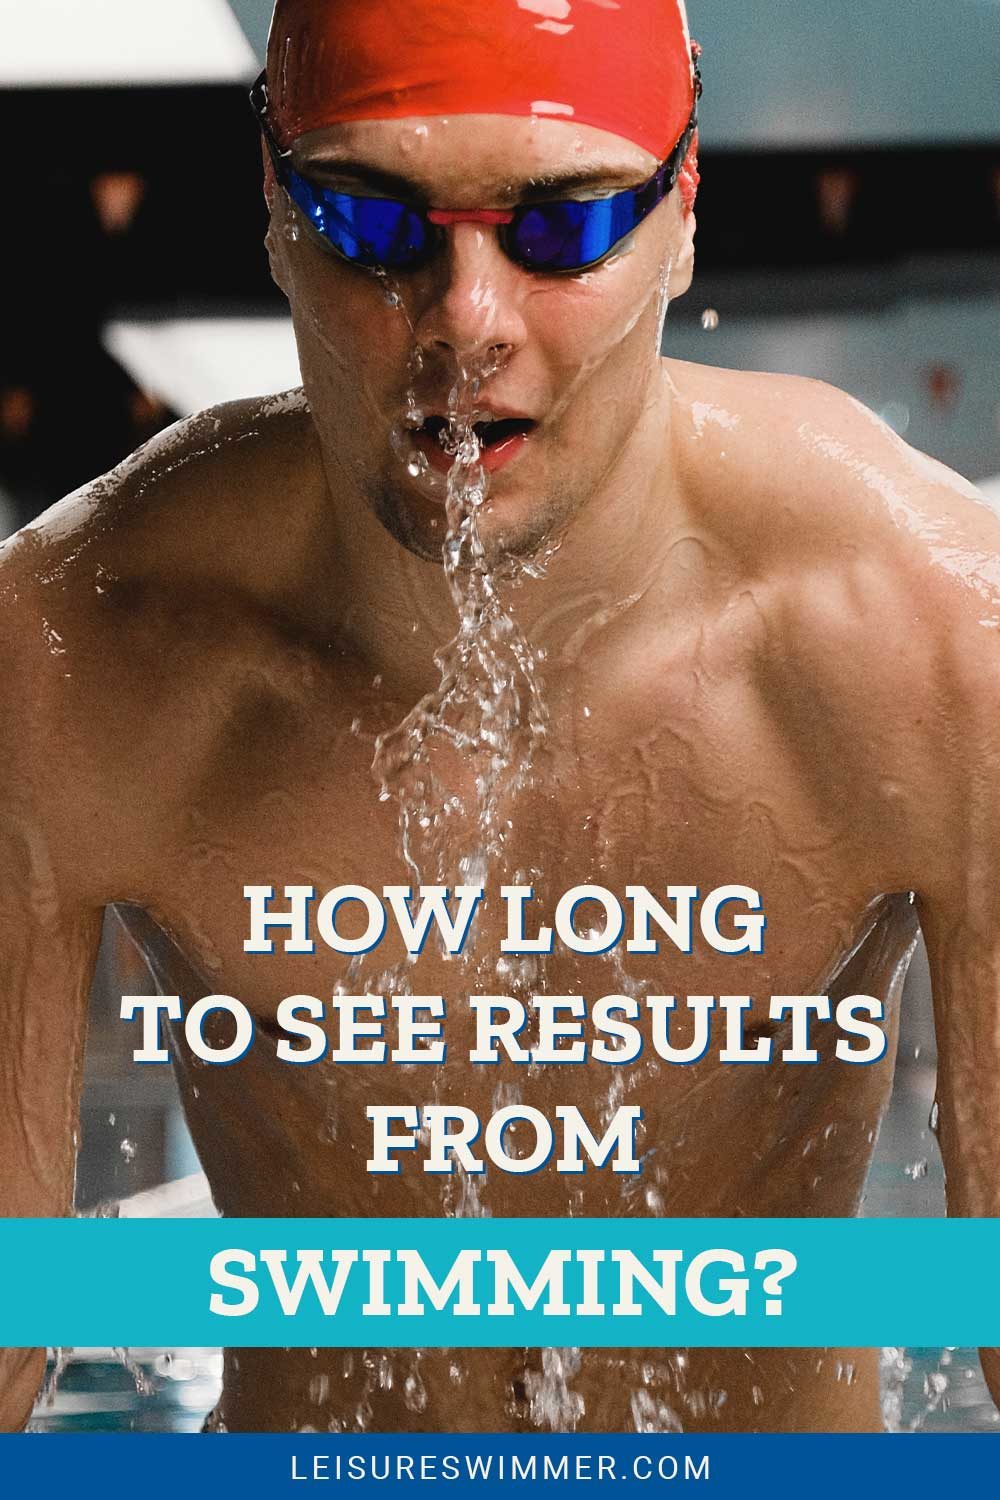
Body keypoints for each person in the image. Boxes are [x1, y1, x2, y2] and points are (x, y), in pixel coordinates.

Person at [2, 0, 999, 1436]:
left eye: (562, 229)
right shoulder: (69, 654)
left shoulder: (929, 643)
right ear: (274, 207)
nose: (467, 322)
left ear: (684, 209)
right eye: (373, 222)